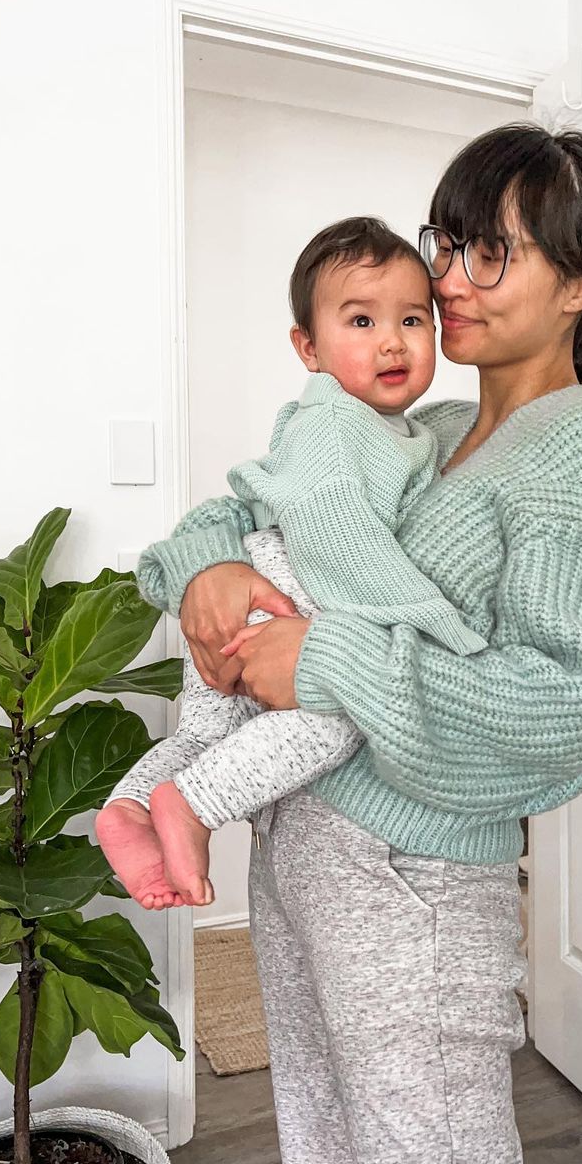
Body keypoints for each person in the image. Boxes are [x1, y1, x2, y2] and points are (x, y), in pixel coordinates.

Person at [117, 123, 582, 1164]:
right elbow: (266, 501)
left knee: (429, 1162)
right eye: (448, 244)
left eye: (491, 254)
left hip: (412, 881)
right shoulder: (435, 426)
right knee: (324, 1139)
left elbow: (562, 710)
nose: (450, 280)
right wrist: (205, 570)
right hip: (306, 844)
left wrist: (323, 663)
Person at [96, 217, 488, 912]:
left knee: (206, 730)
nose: (392, 341)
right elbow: (342, 540)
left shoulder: (384, 425)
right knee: (340, 708)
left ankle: (131, 806)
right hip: (282, 590)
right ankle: (194, 804)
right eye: (361, 321)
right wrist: (435, 624)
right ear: (308, 347)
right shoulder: (341, 424)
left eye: (411, 320)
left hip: (250, 584)